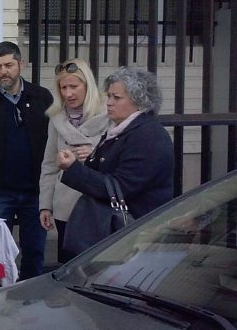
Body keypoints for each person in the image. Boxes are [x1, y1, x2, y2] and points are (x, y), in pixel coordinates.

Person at [56, 66, 174, 254]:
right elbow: (101, 172)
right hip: (116, 234)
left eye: (116, 98)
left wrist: (73, 168)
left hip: (138, 235)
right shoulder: (120, 130)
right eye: (109, 96)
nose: (109, 103)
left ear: (139, 101)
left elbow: (120, 187)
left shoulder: (148, 136)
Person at [0, 41, 54, 279]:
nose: (3, 71)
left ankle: (31, 297)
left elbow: (56, 138)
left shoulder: (41, 97)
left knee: (34, 251)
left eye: (8, 65)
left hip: (35, 192)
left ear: (20, 65)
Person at [38, 59, 110, 260]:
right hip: (66, 207)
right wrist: (45, 205)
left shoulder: (109, 113)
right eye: (63, 87)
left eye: (74, 86)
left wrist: (94, 151)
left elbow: (120, 157)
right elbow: (49, 165)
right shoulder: (56, 118)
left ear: (87, 85)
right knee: (69, 268)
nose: (68, 93)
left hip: (99, 207)